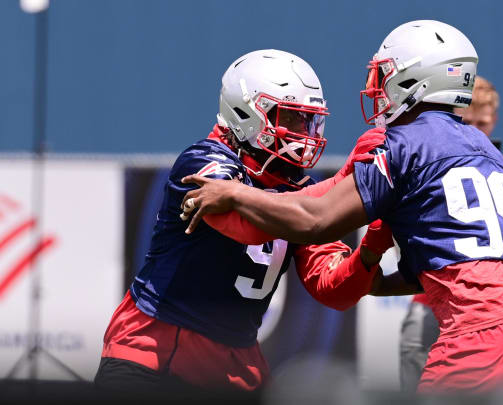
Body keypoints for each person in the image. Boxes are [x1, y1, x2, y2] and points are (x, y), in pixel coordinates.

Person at [180, 21, 503, 394]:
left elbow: (316, 220)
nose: (378, 85)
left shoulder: (397, 142)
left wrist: (235, 194)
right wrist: (375, 277)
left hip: (483, 328)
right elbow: (459, 258)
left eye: (386, 74)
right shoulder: (483, 147)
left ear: (415, 79)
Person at [93, 49, 393, 395]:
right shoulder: (203, 162)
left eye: (308, 121)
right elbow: (247, 224)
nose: (302, 132)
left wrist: (372, 244)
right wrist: (345, 180)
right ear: (247, 113)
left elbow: (334, 290)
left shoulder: (300, 192)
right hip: (155, 351)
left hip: (235, 364)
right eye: (291, 119)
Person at [398, 76, 503, 392]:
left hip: (487, 309)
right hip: (430, 304)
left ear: (495, 121)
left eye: (484, 122)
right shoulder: (429, 162)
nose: (476, 130)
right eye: (468, 121)